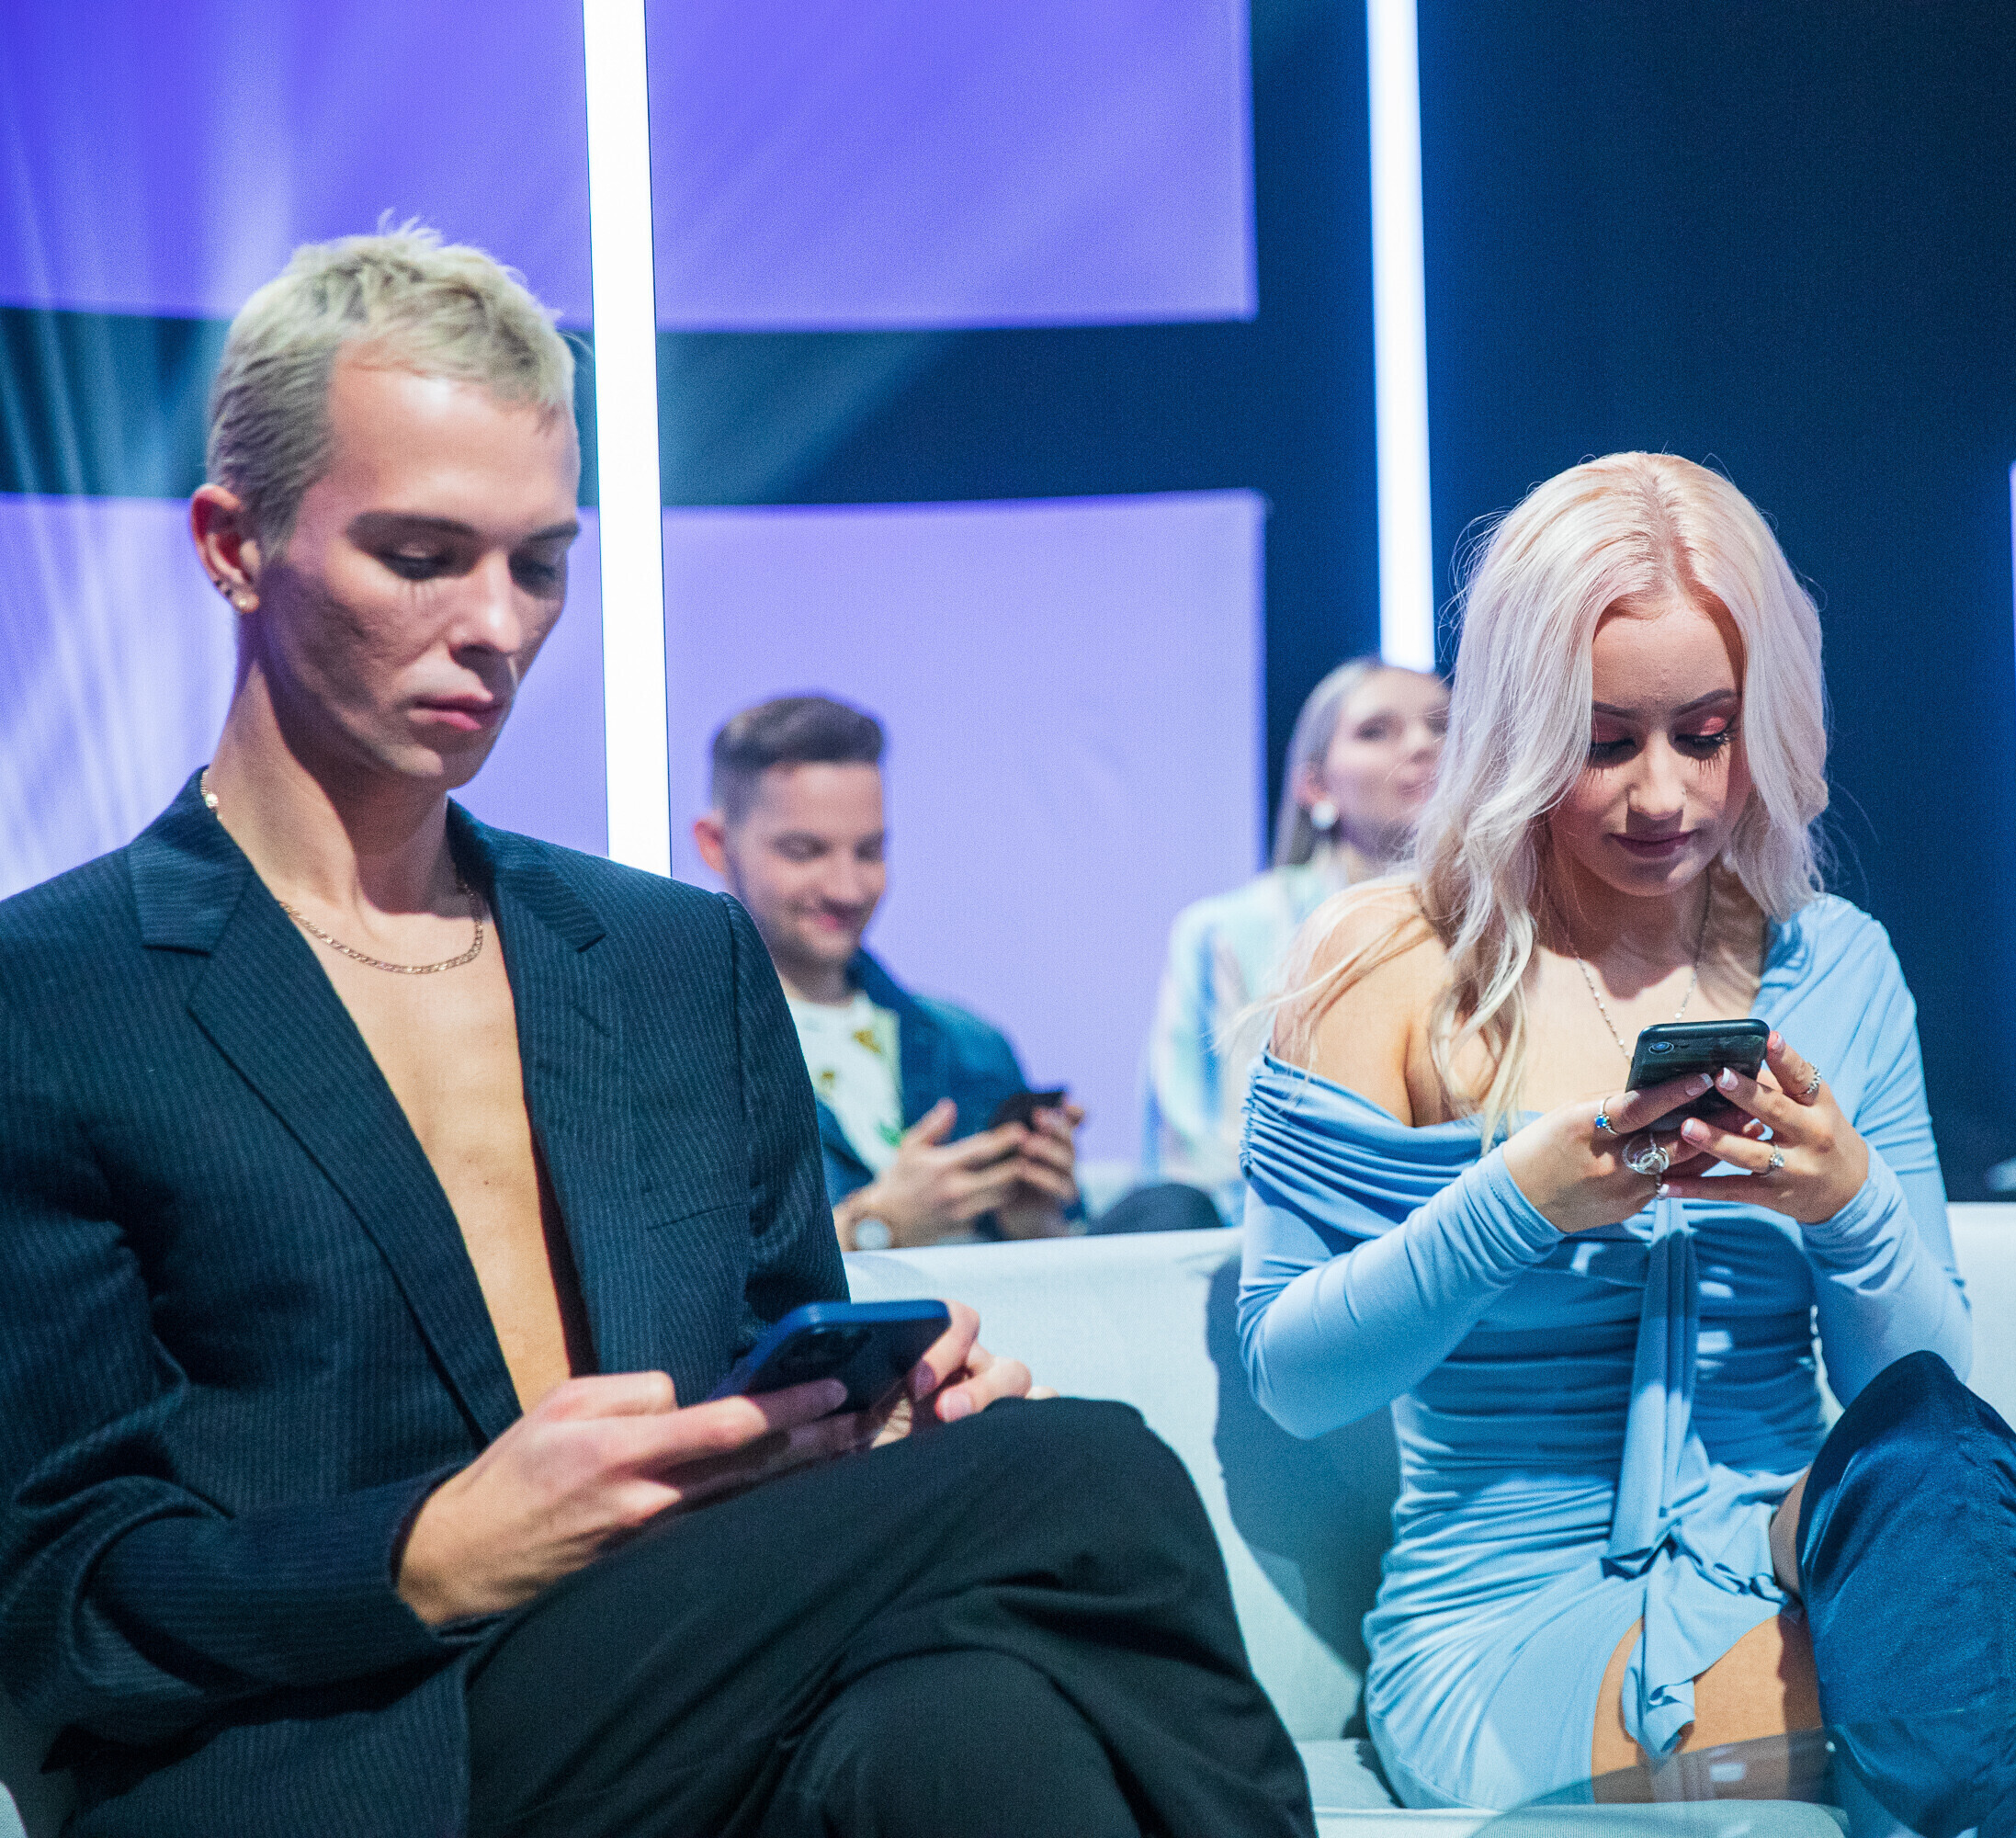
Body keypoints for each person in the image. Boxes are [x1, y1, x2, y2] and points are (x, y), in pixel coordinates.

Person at [0, 226, 1309, 1838]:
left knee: (973, 1726)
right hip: (341, 1753)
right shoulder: (51, 993)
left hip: (691, 1704)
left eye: (539, 564)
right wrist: (432, 1552)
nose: (497, 624)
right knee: (1091, 1478)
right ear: (232, 546)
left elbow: (778, 1382)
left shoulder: (672, 961)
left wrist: (880, 1431)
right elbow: (56, 1604)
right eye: (422, 556)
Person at [1238, 454, 2016, 1811]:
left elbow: (1916, 1381)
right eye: (1602, 743)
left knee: (1945, 1475)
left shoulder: (1837, 964)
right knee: (1953, 1702)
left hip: (1786, 1548)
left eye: (1706, 735)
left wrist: (1848, 1204)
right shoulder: (1385, 962)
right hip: (1506, 1617)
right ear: (1517, 729)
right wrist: (1517, 1200)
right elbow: (1292, 1377)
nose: (1665, 797)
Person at [694, 695, 1218, 1247]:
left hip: (994, 1301)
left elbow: (1043, 1266)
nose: (847, 888)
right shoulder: (680, 1051)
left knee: (1173, 1210)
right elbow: (682, 1272)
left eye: (869, 852)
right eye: (805, 852)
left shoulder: (971, 1046)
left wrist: (1034, 1222)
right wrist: (875, 1227)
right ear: (716, 844)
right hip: (819, 1309)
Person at [1141, 657, 1445, 1202]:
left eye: (1443, 725)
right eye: (1376, 731)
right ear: (1315, 785)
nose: (1423, 746)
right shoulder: (1228, 931)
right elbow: (1200, 1158)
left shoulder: (1532, 922)